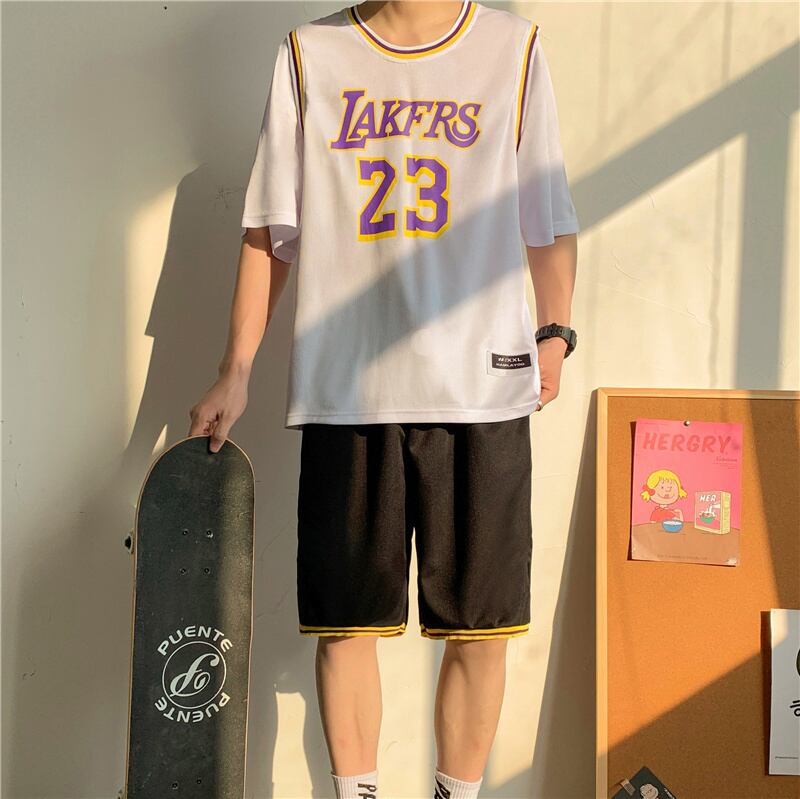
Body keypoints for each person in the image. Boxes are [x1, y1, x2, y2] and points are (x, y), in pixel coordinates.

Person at [189, 1, 580, 797]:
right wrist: (237, 367)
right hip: (351, 388)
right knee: (347, 624)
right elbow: (269, 228)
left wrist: (555, 328)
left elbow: (547, 211)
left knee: (481, 629)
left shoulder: (512, 48)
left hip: (481, 386)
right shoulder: (310, 54)